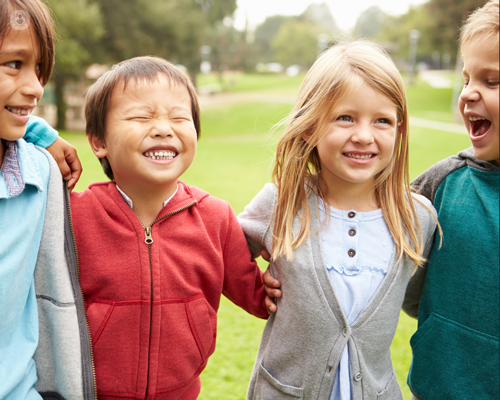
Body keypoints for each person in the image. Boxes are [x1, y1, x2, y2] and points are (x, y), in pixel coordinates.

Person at [29, 55, 273, 400]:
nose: (163, 128)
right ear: (98, 142)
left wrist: (282, 285)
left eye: (178, 117)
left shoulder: (217, 217)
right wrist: (41, 135)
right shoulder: (69, 216)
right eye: (142, 116)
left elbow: (261, 298)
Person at [238, 40, 438, 400]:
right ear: (309, 126)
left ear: (400, 130)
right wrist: (252, 286)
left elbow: (418, 298)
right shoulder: (281, 203)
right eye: (345, 117)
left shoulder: (417, 218)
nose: (363, 135)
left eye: (382, 120)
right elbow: (219, 255)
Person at [403, 1, 499, 399]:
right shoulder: (443, 182)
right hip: (438, 387)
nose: (468, 93)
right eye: (466, 79)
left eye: (491, 81)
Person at [0, 1, 89, 399]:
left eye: (38, 68)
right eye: (13, 64)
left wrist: (35, 131)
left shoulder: (39, 173)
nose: (37, 86)